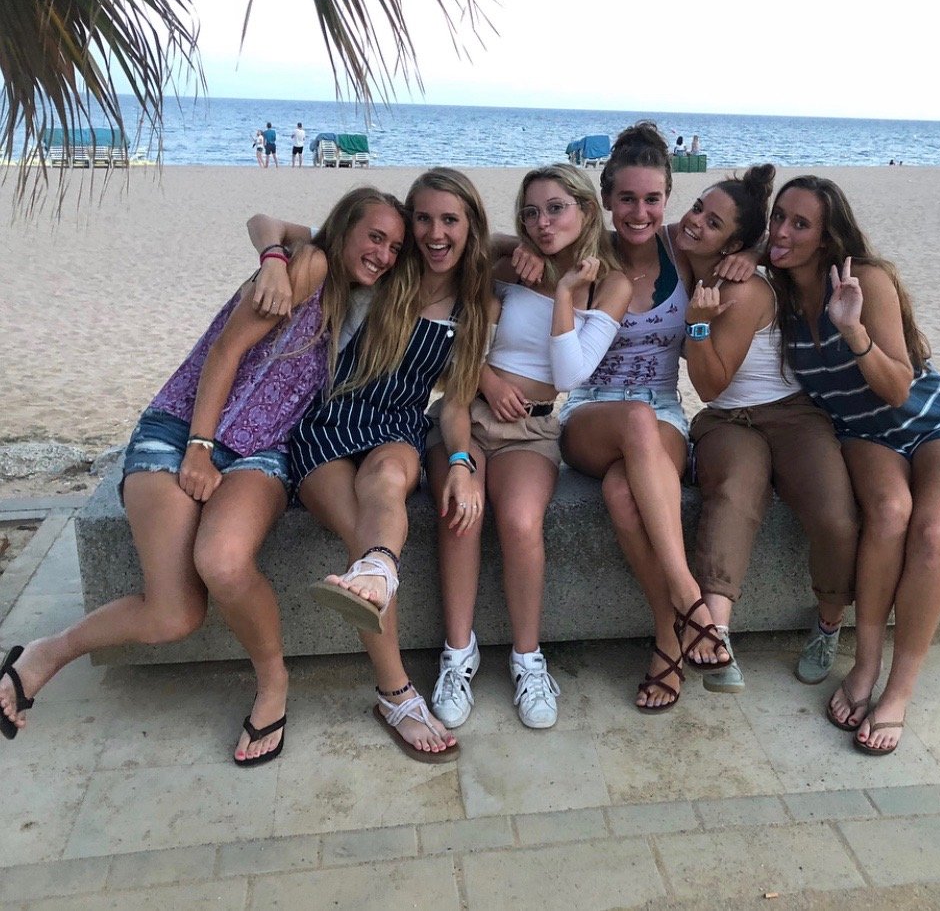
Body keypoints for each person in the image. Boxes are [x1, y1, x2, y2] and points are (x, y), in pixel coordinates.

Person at [0, 187, 408, 765]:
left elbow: (460, 247)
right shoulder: (309, 265)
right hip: (179, 428)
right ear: (343, 232)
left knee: (222, 561)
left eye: (395, 246)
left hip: (263, 450)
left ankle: (273, 685)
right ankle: (45, 654)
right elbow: (226, 352)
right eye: (375, 237)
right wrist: (199, 446)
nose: (385, 254)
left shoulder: (360, 293)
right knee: (174, 614)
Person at [246, 168, 491, 762]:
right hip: (328, 425)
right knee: (360, 525)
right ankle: (394, 691)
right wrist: (275, 258)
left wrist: (461, 462)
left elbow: (455, 402)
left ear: (471, 228)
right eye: (424, 220)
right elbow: (264, 222)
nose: (434, 234)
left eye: (450, 221)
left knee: (385, 481)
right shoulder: (382, 267)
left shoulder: (475, 305)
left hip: (396, 428)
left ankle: (378, 573)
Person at [510, 122, 755, 712]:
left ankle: (668, 639)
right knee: (635, 426)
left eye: (652, 199)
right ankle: (691, 599)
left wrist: (746, 255)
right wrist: (517, 249)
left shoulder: (682, 250)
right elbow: (494, 250)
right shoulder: (582, 253)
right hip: (593, 412)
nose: (639, 212)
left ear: (667, 200)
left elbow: (754, 237)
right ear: (606, 199)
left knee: (625, 494)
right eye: (626, 199)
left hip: (664, 410)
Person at [767, 175, 940, 756]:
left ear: (826, 235)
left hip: (935, 421)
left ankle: (899, 690)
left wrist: (853, 330)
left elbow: (897, 388)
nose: (782, 231)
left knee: (933, 531)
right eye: (778, 217)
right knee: (889, 515)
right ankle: (863, 666)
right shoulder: (777, 293)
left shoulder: (866, 280)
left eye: (800, 223)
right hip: (863, 435)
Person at [426, 164, 631, 730]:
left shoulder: (608, 283)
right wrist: (489, 378)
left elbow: (569, 370)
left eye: (556, 208)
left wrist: (564, 290)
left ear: (587, 211)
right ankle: (457, 655)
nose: (543, 223)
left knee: (519, 521)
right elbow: (462, 243)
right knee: (461, 511)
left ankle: (527, 659)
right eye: (531, 212)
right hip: (466, 413)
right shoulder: (509, 263)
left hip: (534, 429)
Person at [678, 165, 859, 694]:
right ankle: (716, 633)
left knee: (834, 513)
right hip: (729, 422)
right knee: (735, 494)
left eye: (713, 222)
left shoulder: (745, 289)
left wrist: (695, 325)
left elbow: (709, 382)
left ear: (733, 240)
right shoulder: (699, 256)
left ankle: (828, 623)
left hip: (791, 412)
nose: (695, 223)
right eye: (696, 209)